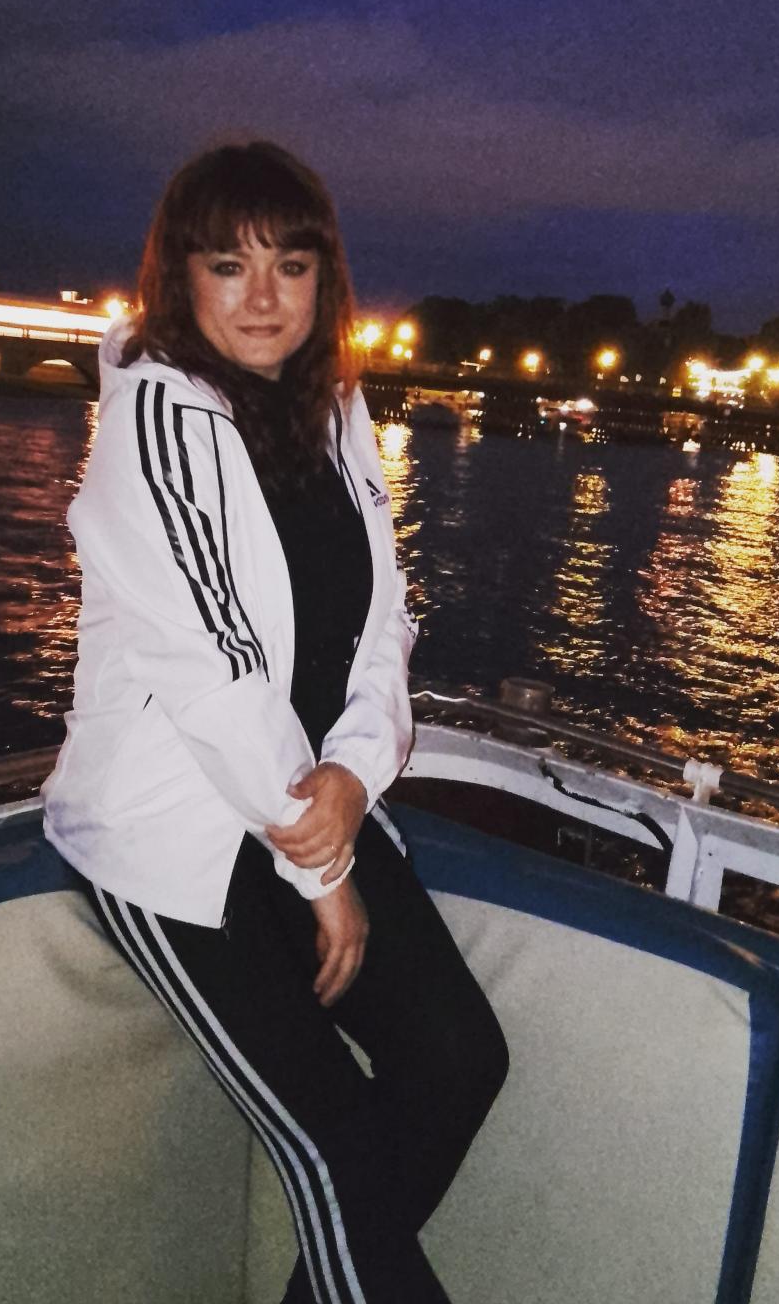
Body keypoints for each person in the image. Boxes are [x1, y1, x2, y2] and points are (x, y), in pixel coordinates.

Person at [43, 141, 508, 1303]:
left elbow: (382, 620)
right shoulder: (155, 415)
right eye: (227, 265)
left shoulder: (335, 406)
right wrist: (325, 869)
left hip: (308, 808)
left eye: (289, 267)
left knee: (457, 1060)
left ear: (323, 280)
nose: (262, 297)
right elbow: (217, 673)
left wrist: (350, 775)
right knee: (334, 1148)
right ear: (179, 278)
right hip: (177, 842)